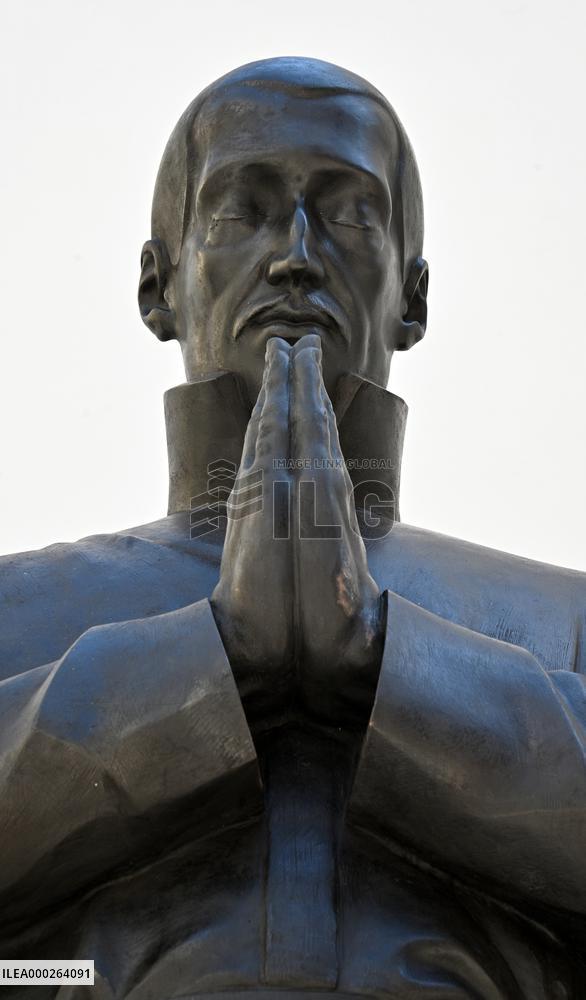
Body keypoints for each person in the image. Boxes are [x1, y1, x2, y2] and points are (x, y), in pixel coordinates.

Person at [0, 57, 584, 999]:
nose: (297, 253)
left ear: (414, 298)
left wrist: (385, 664)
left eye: (350, 212)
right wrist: (208, 664)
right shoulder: (18, 610)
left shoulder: (561, 624)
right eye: (245, 211)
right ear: (159, 284)